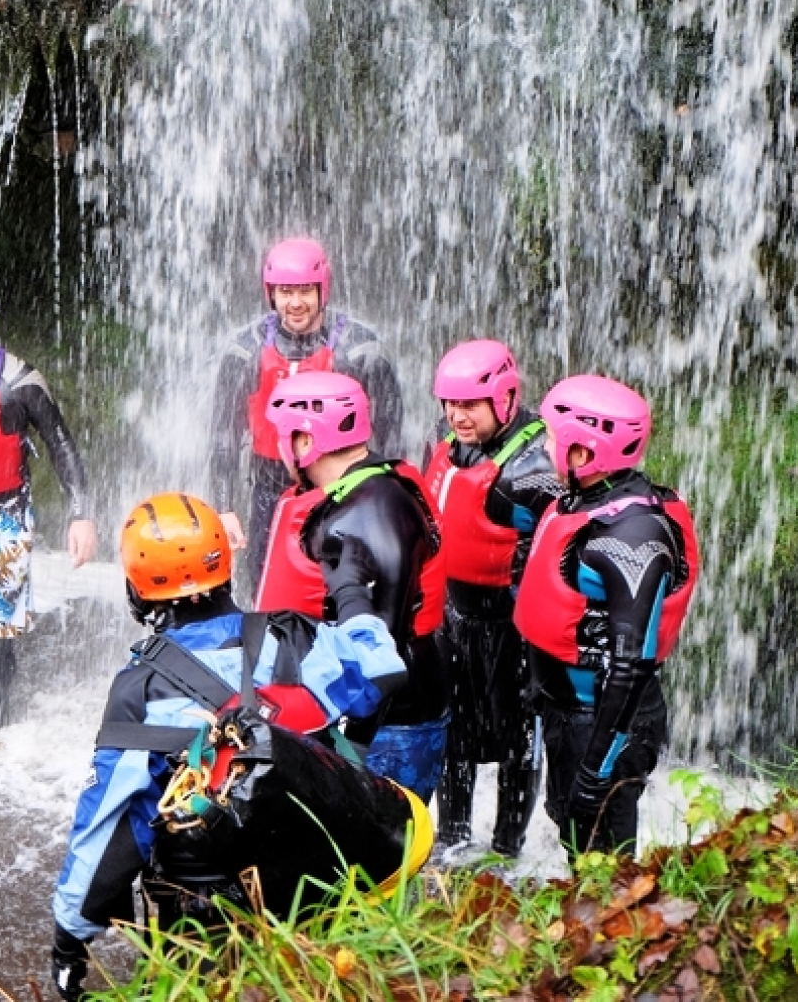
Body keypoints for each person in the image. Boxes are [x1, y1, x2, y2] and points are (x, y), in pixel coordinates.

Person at [51, 492, 431, 1001]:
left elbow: (112, 832)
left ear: (138, 591)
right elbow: (383, 665)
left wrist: (70, 941)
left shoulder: (141, 691)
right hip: (322, 898)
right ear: (225, 567)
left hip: (209, 928)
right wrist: (350, 594)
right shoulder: (299, 639)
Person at [513, 374, 700, 858]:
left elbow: (631, 664)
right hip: (570, 708)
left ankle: (616, 933)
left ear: (584, 454)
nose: (542, 450)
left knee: (605, 858)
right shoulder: (583, 501)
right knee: (575, 835)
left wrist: (597, 769)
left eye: (552, 441)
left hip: (604, 721)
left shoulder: (632, 537)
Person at [255, 369, 449, 803]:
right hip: (356, 716)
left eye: (284, 436)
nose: (279, 450)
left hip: (388, 727)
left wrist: (352, 749)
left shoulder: (372, 510)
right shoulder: (358, 494)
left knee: (368, 865)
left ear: (306, 440)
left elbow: (383, 650)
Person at [423, 339, 563, 860]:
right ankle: (453, 838)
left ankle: (507, 848)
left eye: (470, 406)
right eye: (450, 403)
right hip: (455, 612)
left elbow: (566, 544)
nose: (457, 416)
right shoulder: (445, 439)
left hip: (513, 623)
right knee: (452, 732)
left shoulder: (537, 464)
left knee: (517, 736)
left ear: (503, 400)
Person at [209, 237, 404, 592]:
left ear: (322, 290)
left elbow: (391, 438)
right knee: (266, 591)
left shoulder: (360, 351)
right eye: (285, 292)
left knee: (338, 591)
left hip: (340, 489)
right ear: (271, 293)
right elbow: (224, 436)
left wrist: (388, 504)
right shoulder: (245, 351)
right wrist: (223, 507)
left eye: (305, 292)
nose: (295, 303)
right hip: (268, 491)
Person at [0, 321, 96, 641]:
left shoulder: (21, 380)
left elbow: (60, 444)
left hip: (6, 515)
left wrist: (83, 516)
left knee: (0, 631)